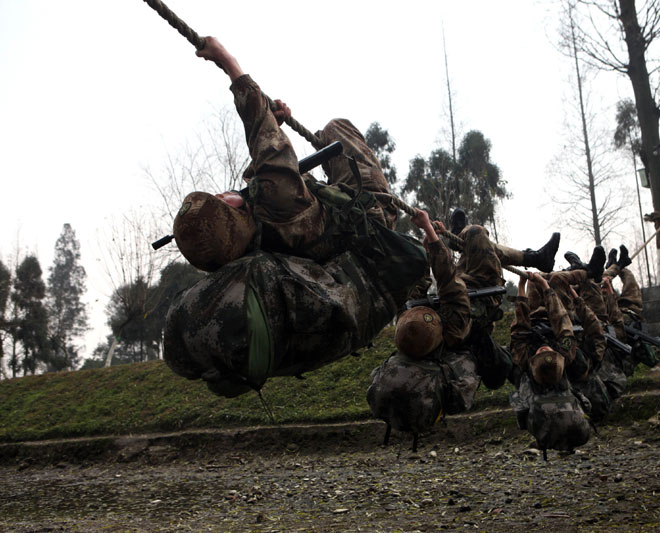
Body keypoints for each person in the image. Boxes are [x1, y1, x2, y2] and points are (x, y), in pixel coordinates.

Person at [163, 37, 429, 397]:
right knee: (336, 129)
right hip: (372, 224)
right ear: (231, 212)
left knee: (310, 161)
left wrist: (280, 123)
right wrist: (227, 62)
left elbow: (267, 174)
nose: (221, 193)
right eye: (218, 199)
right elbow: (260, 130)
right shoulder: (278, 200)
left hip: (350, 274)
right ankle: (328, 139)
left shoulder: (243, 261)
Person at [367, 209, 479, 451]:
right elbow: (449, 281)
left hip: (400, 407)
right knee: (480, 252)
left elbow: (417, 285)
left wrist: (427, 247)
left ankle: (458, 236)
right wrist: (429, 231)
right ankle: (467, 233)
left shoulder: (403, 322)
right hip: (442, 382)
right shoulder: (454, 328)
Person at [508, 272, 592, 456]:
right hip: (551, 314)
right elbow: (563, 324)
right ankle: (579, 272)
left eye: (541, 352)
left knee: (532, 287)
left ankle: (538, 277)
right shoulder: (565, 355)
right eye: (547, 351)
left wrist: (522, 286)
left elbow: (519, 329)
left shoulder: (524, 360)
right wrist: (546, 288)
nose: (544, 348)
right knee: (554, 283)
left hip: (533, 317)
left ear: (533, 361)